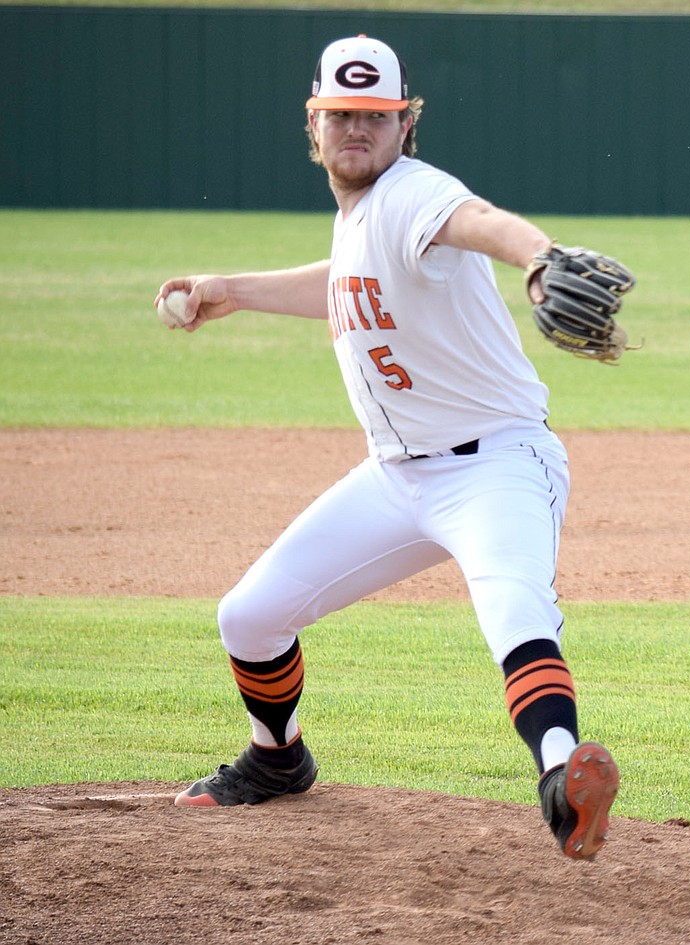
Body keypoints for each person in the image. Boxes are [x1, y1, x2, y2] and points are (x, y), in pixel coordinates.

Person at [155, 34, 619, 860]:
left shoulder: (415, 194)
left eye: (374, 115)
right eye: (341, 114)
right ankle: (277, 759)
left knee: (513, 609)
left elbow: (478, 221)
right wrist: (232, 289)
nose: (356, 128)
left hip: (498, 466)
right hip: (397, 478)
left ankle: (563, 775)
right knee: (249, 617)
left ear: (406, 121)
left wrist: (541, 259)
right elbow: (342, 275)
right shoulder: (363, 217)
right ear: (315, 120)